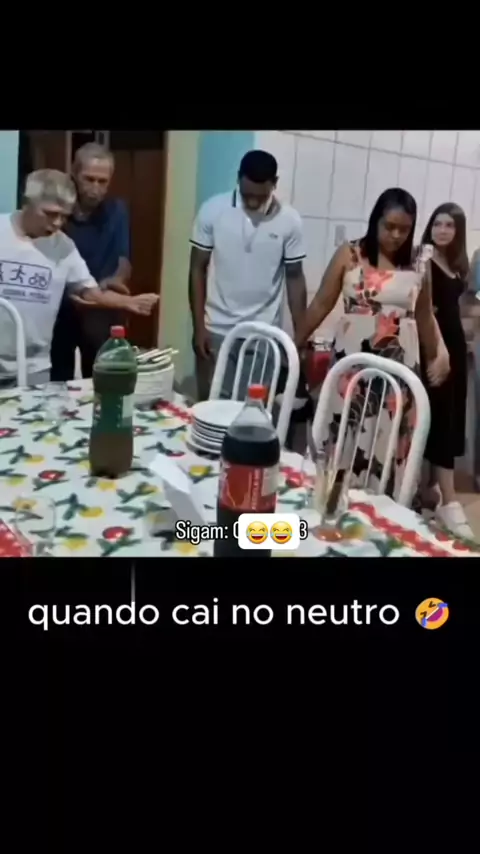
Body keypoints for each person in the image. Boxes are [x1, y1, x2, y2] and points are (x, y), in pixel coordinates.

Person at [295, 187, 450, 501]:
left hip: (400, 369)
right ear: (375, 220)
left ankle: (382, 512)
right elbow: (321, 303)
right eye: (389, 226)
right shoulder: (350, 254)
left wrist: (438, 354)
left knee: (388, 440)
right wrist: (294, 344)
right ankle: (333, 505)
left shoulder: (419, 262)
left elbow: (424, 315)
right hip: (352, 366)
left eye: (404, 229)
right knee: (345, 432)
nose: (396, 235)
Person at [0, 169, 158, 389]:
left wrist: (128, 302)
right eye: (50, 214)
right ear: (28, 202)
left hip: (34, 366)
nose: (57, 223)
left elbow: (89, 291)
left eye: (64, 216)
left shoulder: (64, 247)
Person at [189, 149, 307, 401]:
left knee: (250, 410)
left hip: (263, 334)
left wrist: (301, 335)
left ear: (274, 184)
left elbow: (295, 277)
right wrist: (198, 327)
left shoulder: (289, 220)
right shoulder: (213, 210)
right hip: (216, 330)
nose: (253, 202)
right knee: (212, 408)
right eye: (247, 195)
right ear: (238, 179)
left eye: (260, 196)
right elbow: (197, 268)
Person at [50, 143, 132, 381]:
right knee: (58, 381)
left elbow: (124, 259)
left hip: (99, 311)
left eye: (102, 181)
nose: (95, 188)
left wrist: (116, 281)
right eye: (89, 179)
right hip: (59, 310)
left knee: (101, 381)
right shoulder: (56, 212)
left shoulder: (117, 211)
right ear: (74, 174)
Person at [418, 203, 473, 538]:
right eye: (437, 223)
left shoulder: (454, 265)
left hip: (456, 350)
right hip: (436, 351)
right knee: (439, 420)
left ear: (458, 231)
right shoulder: (424, 260)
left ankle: (429, 493)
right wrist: (439, 350)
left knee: (449, 419)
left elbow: (456, 307)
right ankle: (449, 501)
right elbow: (425, 310)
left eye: (449, 225)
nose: (441, 230)